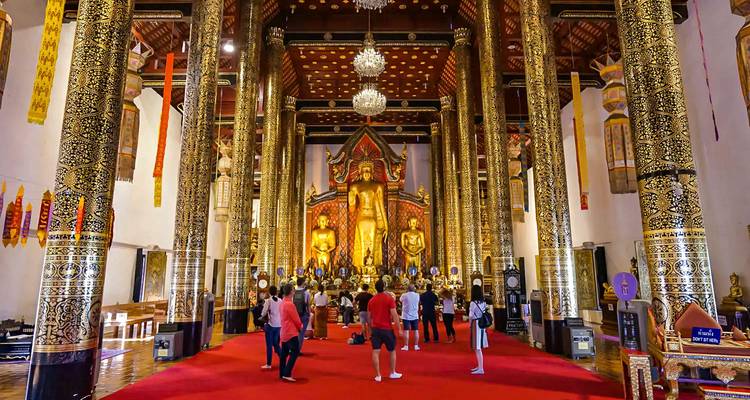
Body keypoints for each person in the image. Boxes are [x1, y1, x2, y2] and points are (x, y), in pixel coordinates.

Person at [368, 279, 403, 382]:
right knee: (392, 351)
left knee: (375, 351)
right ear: (384, 287)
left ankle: (378, 375)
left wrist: (370, 329)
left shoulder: (372, 300)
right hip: (387, 329)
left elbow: (369, 317)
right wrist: (399, 328)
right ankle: (392, 372)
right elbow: (394, 314)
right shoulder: (389, 299)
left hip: (376, 329)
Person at [279, 284, 303, 382]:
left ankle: (282, 373)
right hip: (291, 332)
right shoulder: (289, 304)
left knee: (284, 353)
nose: (294, 292)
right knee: (295, 352)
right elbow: (296, 319)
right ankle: (287, 373)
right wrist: (300, 327)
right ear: (290, 292)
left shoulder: (282, 302)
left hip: (284, 331)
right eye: (293, 290)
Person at [469, 285, 489, 375]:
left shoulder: (473, 303)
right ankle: (479, 366)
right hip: (482, 324)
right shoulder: (483, 302)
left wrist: (470, 323)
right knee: (478, 346)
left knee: (477, 347)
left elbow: (470, 315)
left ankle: (481, 368)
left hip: (476, 323)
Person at [260, 286, 281, 369]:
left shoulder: (268, 301)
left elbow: (264, 312)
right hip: (278, 324)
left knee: (269, 345)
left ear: (269, 292)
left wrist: (261, 316)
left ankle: (269, 363)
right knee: (276, 344)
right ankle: (282, 358)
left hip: (271, 324)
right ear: (276, 292)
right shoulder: (280, 300)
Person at [399, 284, 420, 351]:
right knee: (416, 331)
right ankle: (416, 345)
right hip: (415, 315)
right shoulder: (417, 295)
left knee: (406, 331)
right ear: (414, 288)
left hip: (406, 315)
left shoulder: (404, 295)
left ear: (407, 289)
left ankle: (406, 346)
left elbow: (400, 300)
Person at [293, 277, 312, 352]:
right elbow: (308, 304)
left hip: (295, 314)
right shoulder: (306, 292)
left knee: (294, 332)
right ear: (303, 283)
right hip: (303, 314)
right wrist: (309, 314)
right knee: (301, 333)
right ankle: (298, 349)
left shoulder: (293, 291)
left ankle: (293, 348)